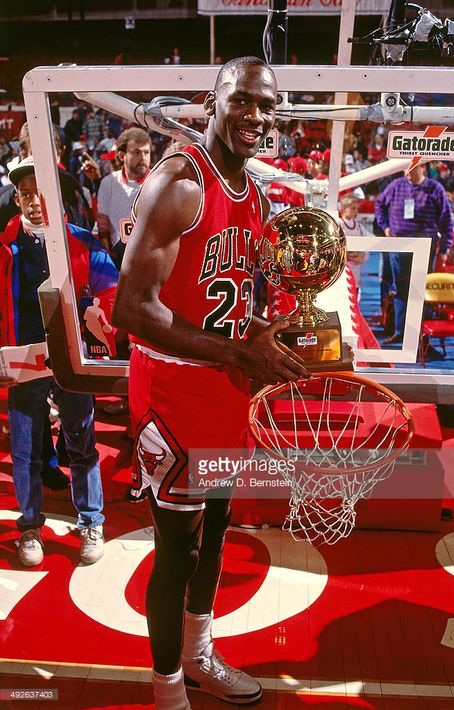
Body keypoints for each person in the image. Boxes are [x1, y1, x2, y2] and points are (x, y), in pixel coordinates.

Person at [112, 56, 309, 709]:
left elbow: (222, 294)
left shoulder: (251, 191)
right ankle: (166, 688)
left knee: (218, 527)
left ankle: (199, 656)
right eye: (243, 101)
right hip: (172, 390)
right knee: (179, 548)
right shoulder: (179, 182)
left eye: (266, 106)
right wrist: (238, 351)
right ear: (213, 101)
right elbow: (132, 308)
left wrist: (275, 332)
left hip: (224, 387)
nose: (255, 117)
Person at [0, 156, 119, 567]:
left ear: (56, 196)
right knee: (25, 448)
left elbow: (111, 290)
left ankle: (91, 520)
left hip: (72, 359)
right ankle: (29, 526)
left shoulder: (82, 241)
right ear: (16, 198)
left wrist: (99, 311)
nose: (34, 202)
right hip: (24, 362)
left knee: (81, 442)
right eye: (26, 193)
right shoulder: (4, 247)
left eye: (41, 193)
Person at [375, 163, 453, 344]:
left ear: (423, 168)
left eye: (411, 168)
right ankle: (400, 332)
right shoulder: (396, 186)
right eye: (405, 169)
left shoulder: (435, 189)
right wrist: (385, 226)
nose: (407, 172)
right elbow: (379, 204)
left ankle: (420, 337)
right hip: (400, 245)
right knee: (400, 290)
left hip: (425, 246)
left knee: (420, 290)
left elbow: (446, 220)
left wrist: (445, 248)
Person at [96, 126, 151, 268]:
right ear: (121, 156)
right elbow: (103, 224)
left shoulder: (159, 181)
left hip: (150, 259)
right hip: (118, 259)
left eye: (146, 152)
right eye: (137, 152)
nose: (143, 158)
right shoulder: (109, 183)